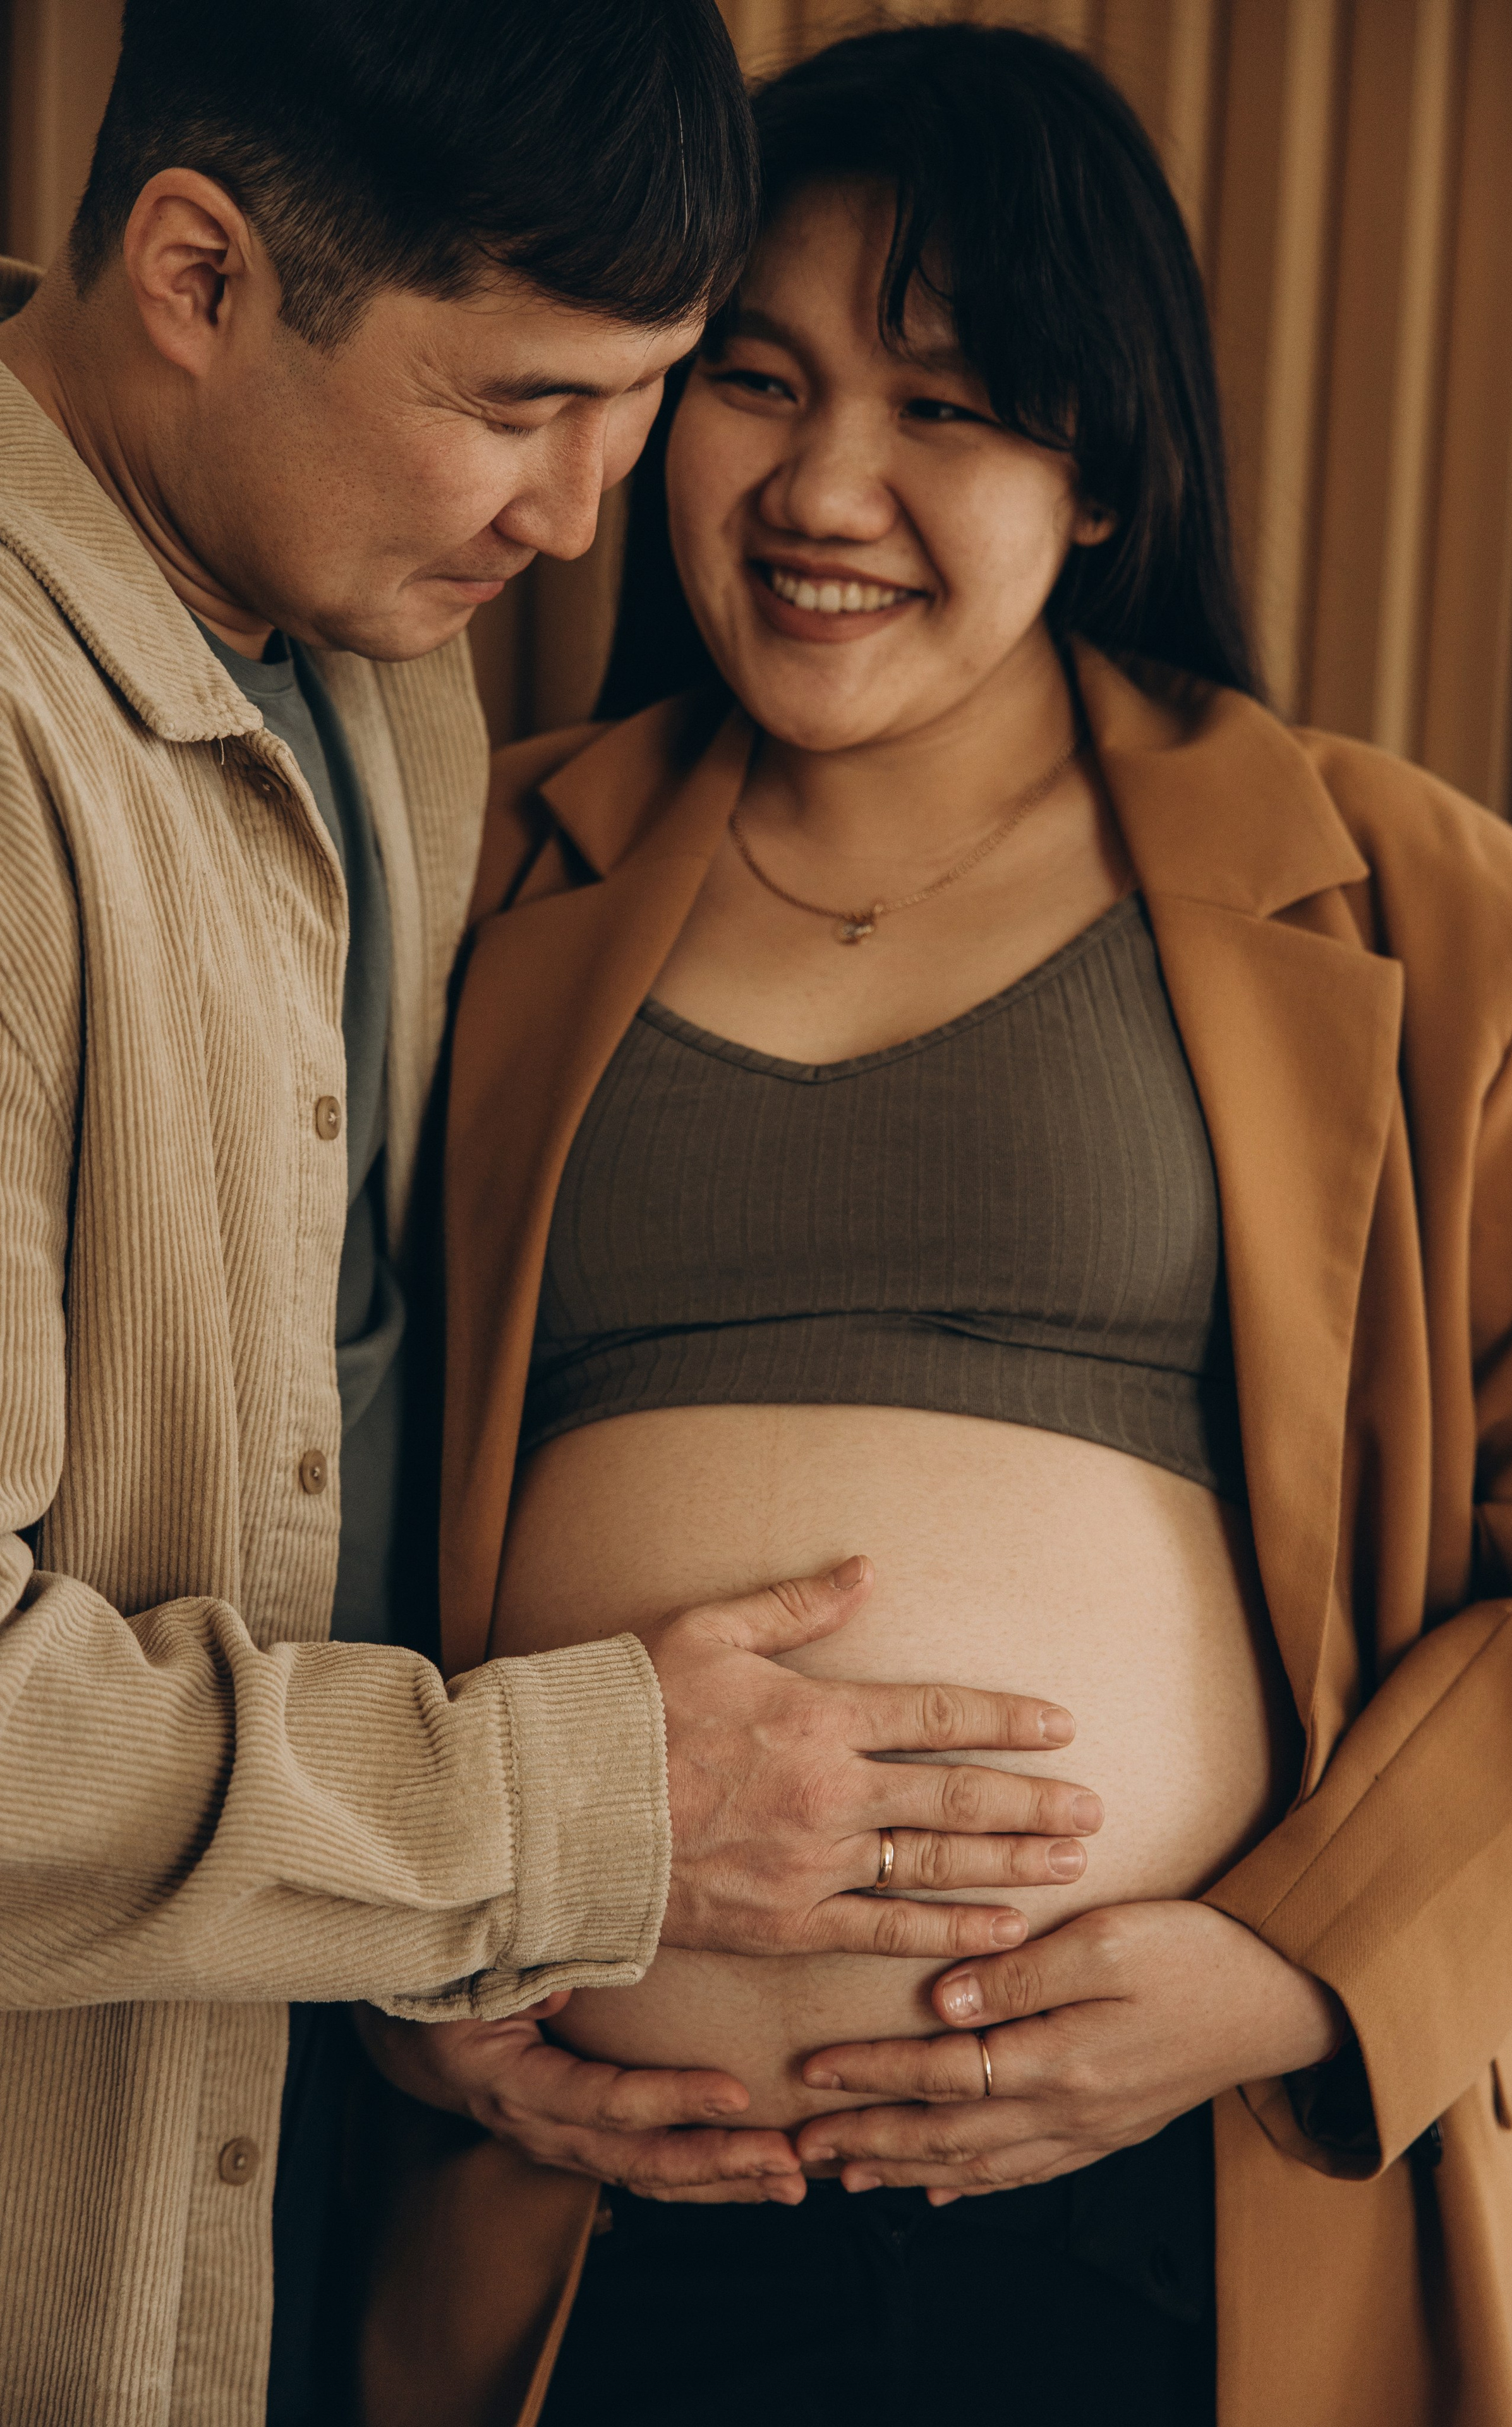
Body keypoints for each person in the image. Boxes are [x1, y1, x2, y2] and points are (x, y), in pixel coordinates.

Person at [373, 22, 1512, 2427]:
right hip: (589, 2231)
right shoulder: (462, 875)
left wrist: (1294, 1971)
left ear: (1108, 468)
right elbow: (256, 1490)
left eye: (944, 405)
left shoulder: (1427, 912)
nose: (824, 481)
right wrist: (412, 2006)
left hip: (1170, 2227)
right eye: (757, 376)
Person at [0, 8, 1096, 2422]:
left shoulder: (388, 682)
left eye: (641, 399)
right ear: (195, 271)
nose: (591, 520)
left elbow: (338, 1457)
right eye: (517, 407)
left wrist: (447, 1970)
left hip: (314, 2177)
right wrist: (572, 1827)